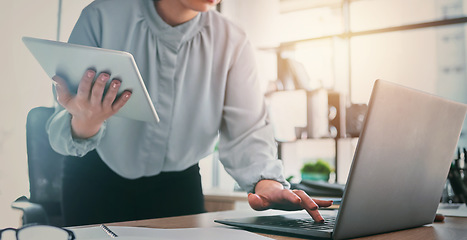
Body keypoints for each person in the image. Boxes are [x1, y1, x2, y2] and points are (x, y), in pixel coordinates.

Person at [47, 0, 333, 226]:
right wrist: (87, 122)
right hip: (95, 182)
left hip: (178, 188)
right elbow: (67, 117)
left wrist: (265, 180)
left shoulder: (232, 41)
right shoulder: (101, 16)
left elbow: (247, 131)